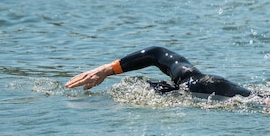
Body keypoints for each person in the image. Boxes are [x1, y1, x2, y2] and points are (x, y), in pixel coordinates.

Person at [65, 46, 252, 99]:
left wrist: (104, 70)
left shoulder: (192, 79)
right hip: (202, 87)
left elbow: (157, 53)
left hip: (200, 84)